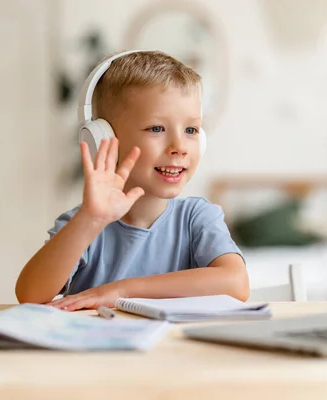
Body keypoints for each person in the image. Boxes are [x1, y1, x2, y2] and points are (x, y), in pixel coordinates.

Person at [15, 50, 249, 310]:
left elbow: (236, 283)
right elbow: (30, 295)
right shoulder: (85, 224)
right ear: (103, 140)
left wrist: (121, 291)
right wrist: (89, 220)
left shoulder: (197, 217)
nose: (179, 146)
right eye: (157, 128)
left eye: (191, 130)